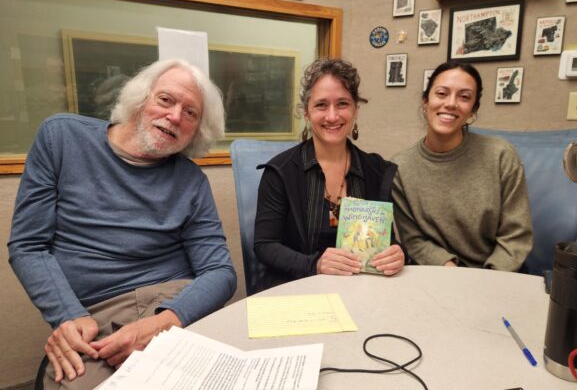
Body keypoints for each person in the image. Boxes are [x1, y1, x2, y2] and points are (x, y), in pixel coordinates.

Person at [8, 59, 237, 389]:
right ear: (139, 99)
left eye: (191, 113)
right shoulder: (61, 138)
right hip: (97, 314)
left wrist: (162, 323)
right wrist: (67, 315)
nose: (175, 116)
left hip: (174, 303)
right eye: (166, 100)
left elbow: (219, 272)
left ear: (196, 131)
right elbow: (28, 245)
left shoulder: (191, 180)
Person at [253, 58, 406, 290]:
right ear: (306, 113)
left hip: (363, 290)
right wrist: (315, 265)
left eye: (342, 104)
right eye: (321, 105)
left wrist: (397, 253)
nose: (332, 116)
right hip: (300, 289)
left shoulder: (376, 170)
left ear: (355, 109)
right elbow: (264, 245)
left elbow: (386, 241)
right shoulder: (280, 172)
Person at [391, 61, 533, 271]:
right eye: (441, 93)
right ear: (425, 101)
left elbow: (516, 236)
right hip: (440, 273)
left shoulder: (501, 155)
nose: (451, 103)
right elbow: (414, 240)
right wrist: (452, 273)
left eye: (464, 97)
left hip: (499, 275)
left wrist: (486, 280)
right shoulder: (400, 167)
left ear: (473, 110)